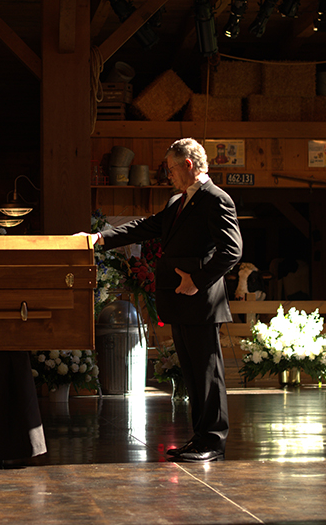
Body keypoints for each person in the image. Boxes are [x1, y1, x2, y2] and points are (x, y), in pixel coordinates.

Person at [86, 138, 242, 462]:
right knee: (193, 374)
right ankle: (200, 438)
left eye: (171, 168)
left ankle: (213, 441)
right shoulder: (177, 203)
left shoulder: (217, 199)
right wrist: (100, 238)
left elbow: (232, 251)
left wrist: (196, 281)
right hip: (181, 300)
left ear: (188, 165)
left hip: (200, 300)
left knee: (208, 374)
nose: (168, 175)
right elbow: (146, 227)